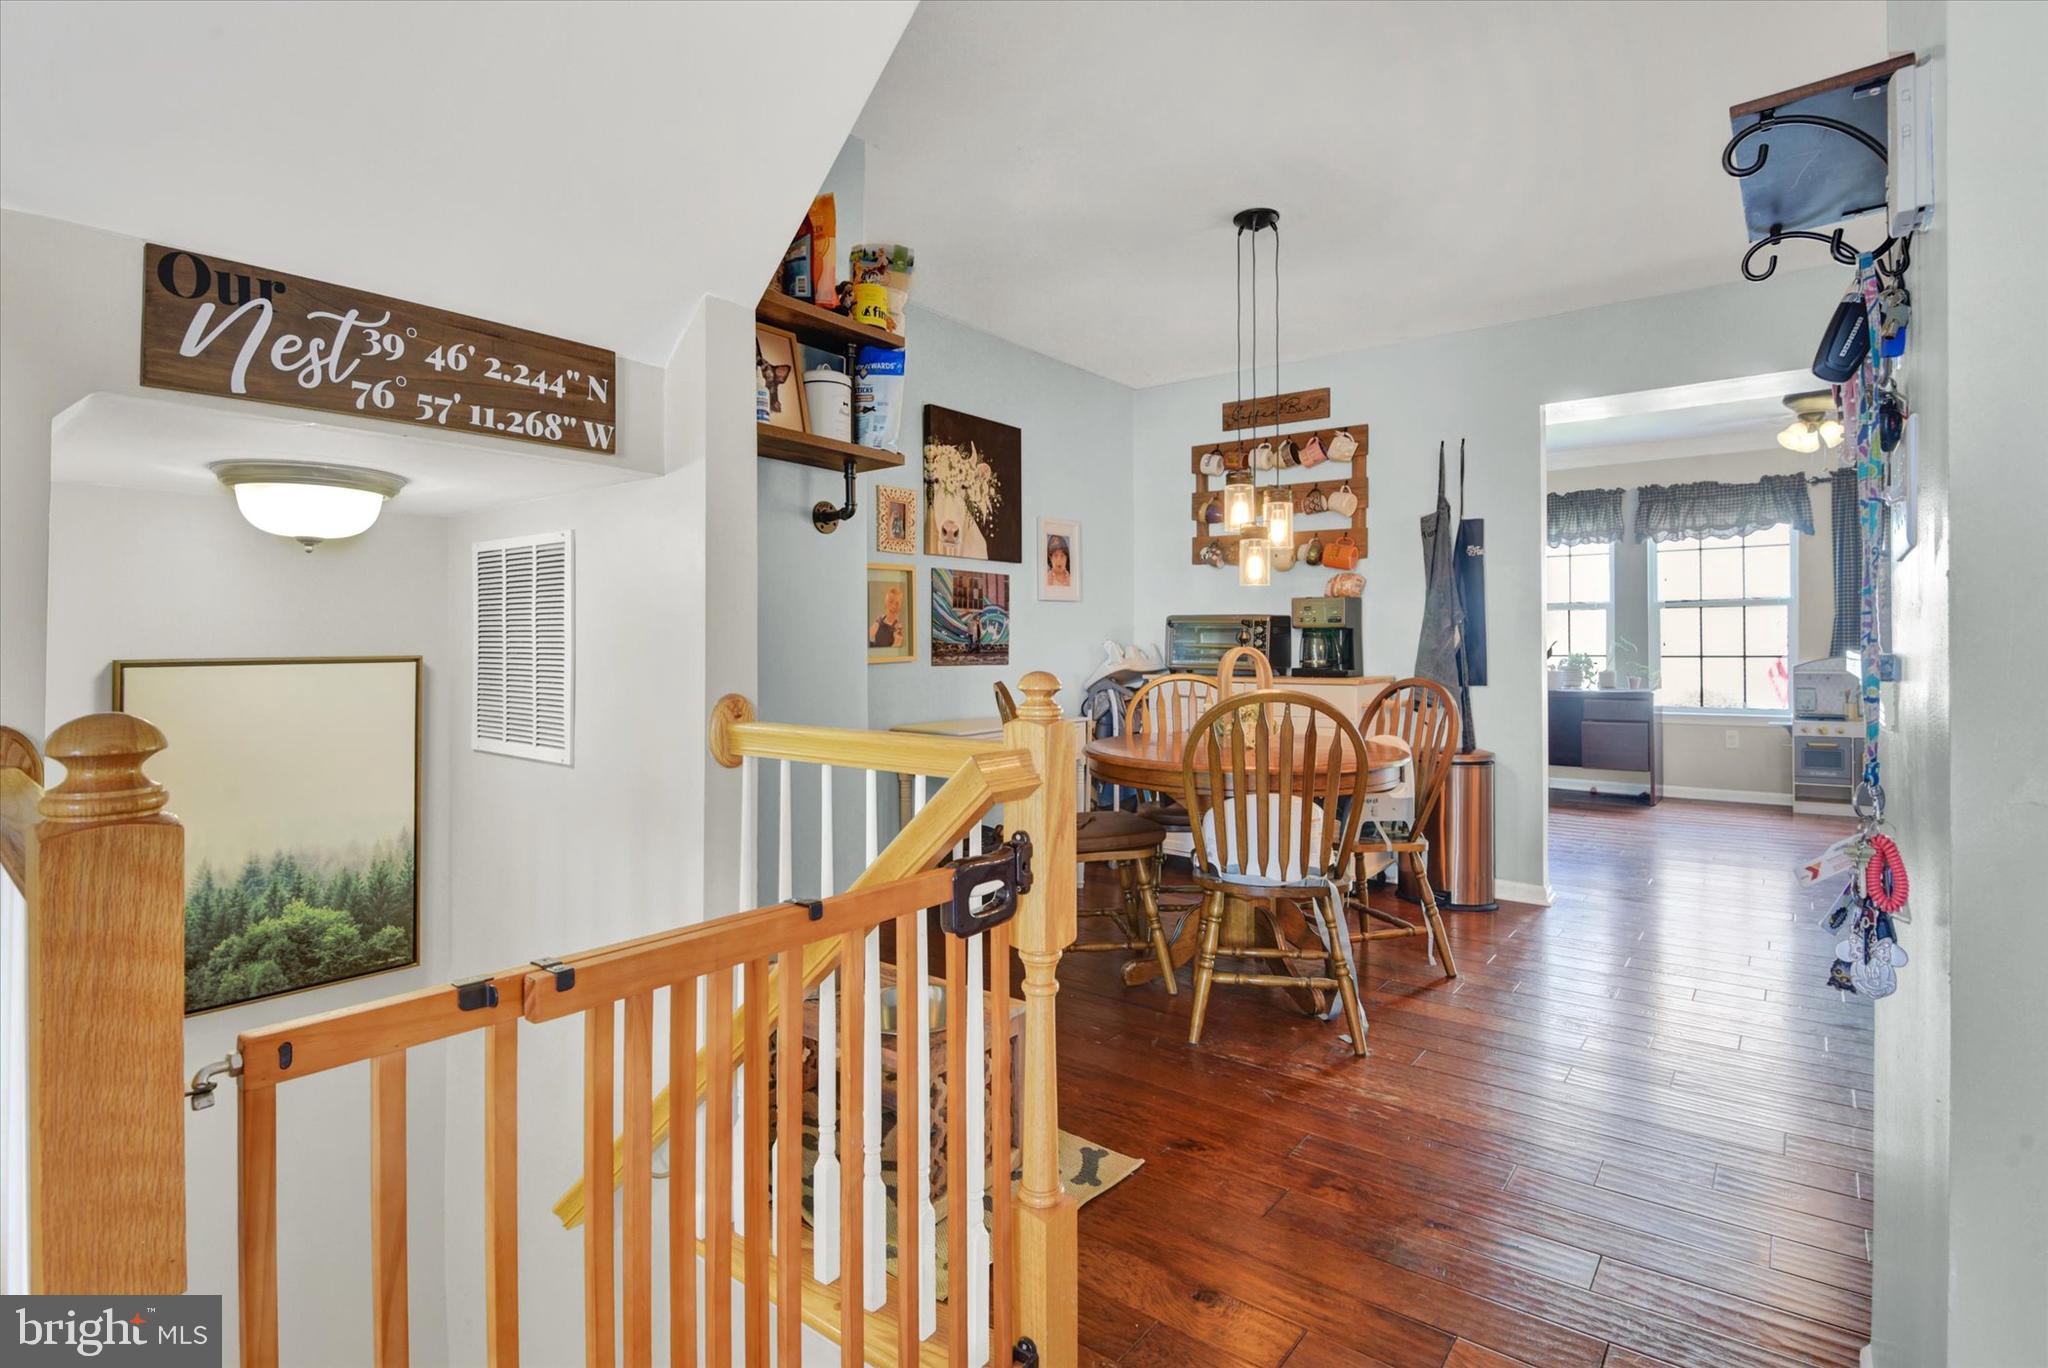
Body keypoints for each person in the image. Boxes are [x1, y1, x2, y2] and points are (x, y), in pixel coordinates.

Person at [869, 584, 903, 648]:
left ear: (900, 606)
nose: (893, 606)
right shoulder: (878, 622)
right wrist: (871, 637)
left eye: (897, 603)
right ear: (886, 602)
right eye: (891, 601)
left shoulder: (898, 630)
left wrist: (896, 644)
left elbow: (894, 652)